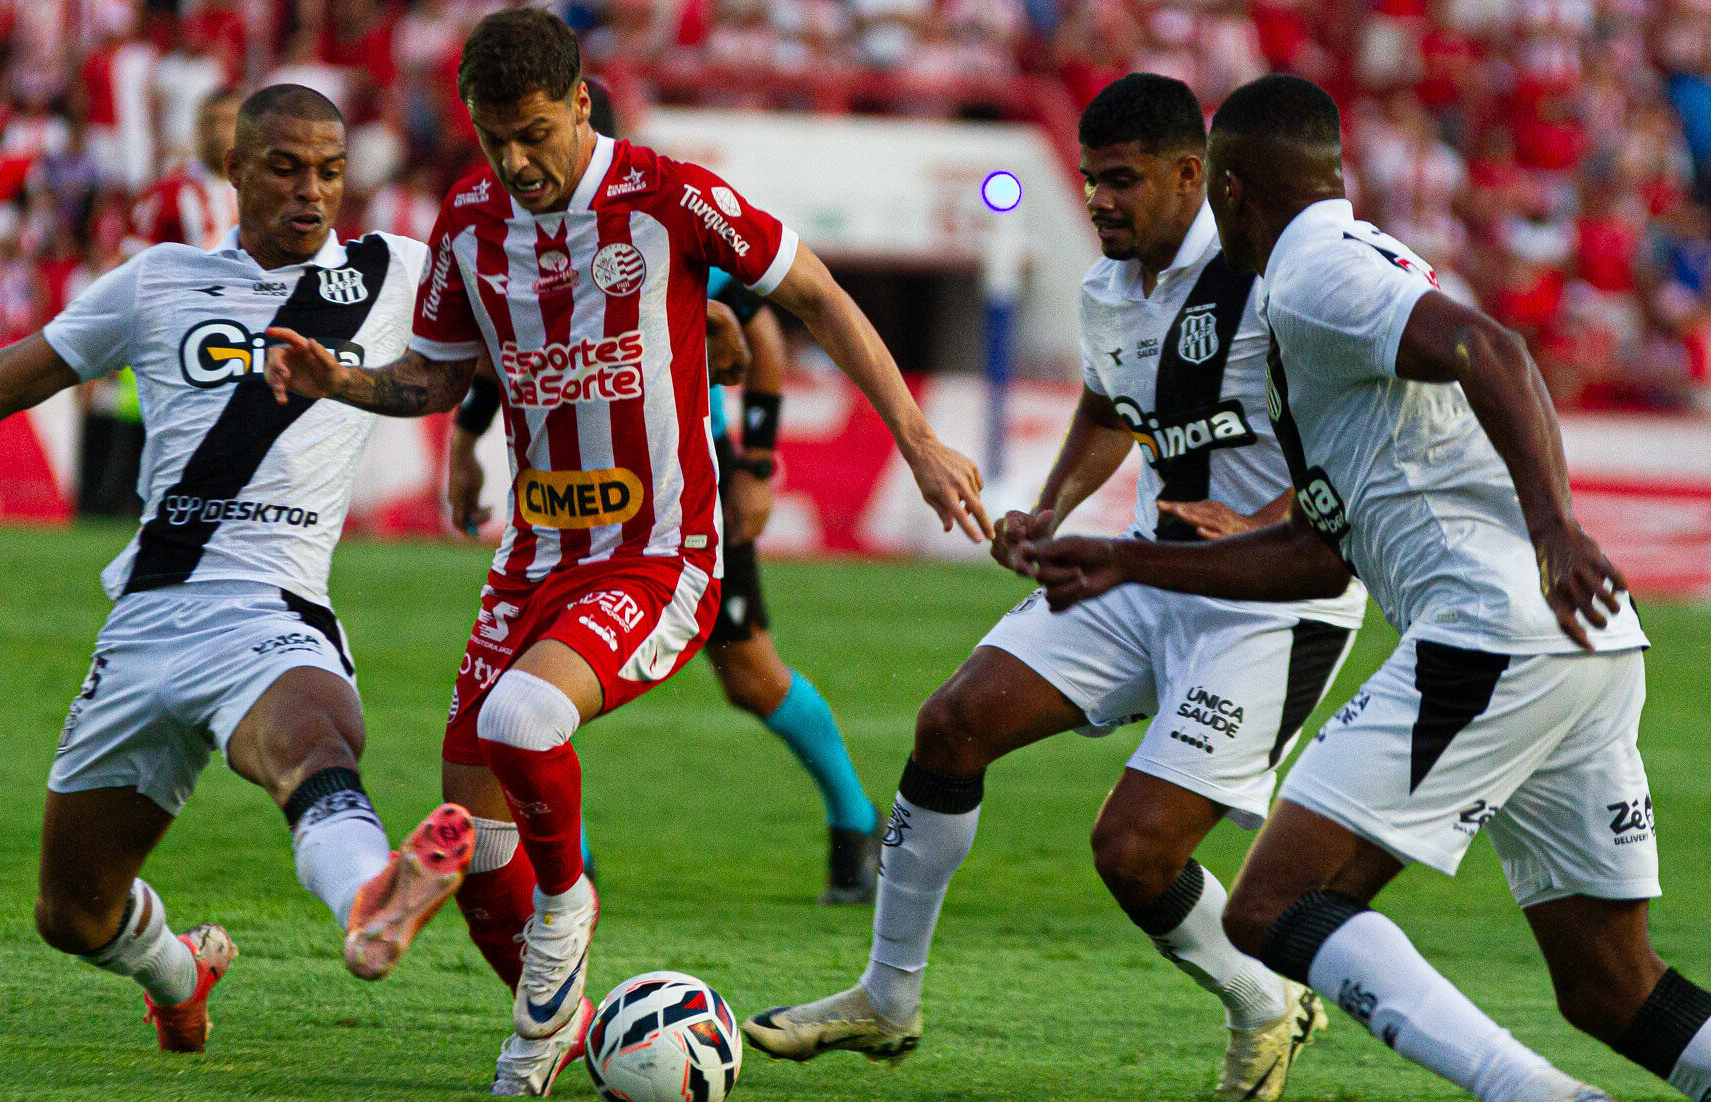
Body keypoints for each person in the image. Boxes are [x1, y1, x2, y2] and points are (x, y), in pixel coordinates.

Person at [264, 10, 990, 1096]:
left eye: (536, 134)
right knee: (481, 851)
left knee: (525, 722)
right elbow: (438, 376)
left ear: (581, 108)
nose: (516, 162)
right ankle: (555, 1028)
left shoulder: (668, 196)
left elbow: (813, 297)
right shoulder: (468, 218)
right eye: (494, 138)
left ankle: (573, 912)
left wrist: (919, 439)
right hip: (532, 560)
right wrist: (346, 383)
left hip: (657, 555)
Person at [1024, 73, 1711, 1102]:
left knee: (1270, 904)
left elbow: (1494, 347)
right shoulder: (1333, 284)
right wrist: (1128, 558)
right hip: (1583, 649)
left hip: (1492, 631)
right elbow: (1312, 553)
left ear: (1229, 188)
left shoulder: (1312, 276)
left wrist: (1554, 527)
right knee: (1608, 984)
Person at [743, 73, 1362, 1101]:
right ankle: (884, 998)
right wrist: (1052, 508)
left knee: (1131, 851)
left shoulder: (1271, 276)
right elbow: (1111, 400)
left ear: (1187, 174)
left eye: (1121, 181)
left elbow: (1357, 426)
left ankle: (1265, 1000)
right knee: (951, 724)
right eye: (1089, 182)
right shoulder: (1108, 286)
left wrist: (1258, 521)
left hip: (1270, 602)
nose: (1099, 202)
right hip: (1144, 568)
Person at [0, 84, 473, 1056]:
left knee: (316, 742)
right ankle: (177, 971)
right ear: (236, 170)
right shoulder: (156, 280)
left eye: (329, 171)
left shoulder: (394, 274)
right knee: (72, 909)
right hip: (148, 619)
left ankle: (371, 893)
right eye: (286, 167)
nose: (311, 192)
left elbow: (483, 356)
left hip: (272, 606)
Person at [444, 79, 883, 908]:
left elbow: (759, 324)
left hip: (688, 487)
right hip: (577, 505)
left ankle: (855, 823)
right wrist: (466, 444)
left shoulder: (654, 216)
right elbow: (495, 351)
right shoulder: (513, 240)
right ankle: (568, 876)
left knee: (750, 674)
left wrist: (755, 462)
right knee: (541, 696)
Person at [131, 88, 243, 250]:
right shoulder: (169, 193)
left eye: (228, 121)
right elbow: (139, 258)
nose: (218, 132)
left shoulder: (259, 190)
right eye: (210, 122)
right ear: (197, 128)